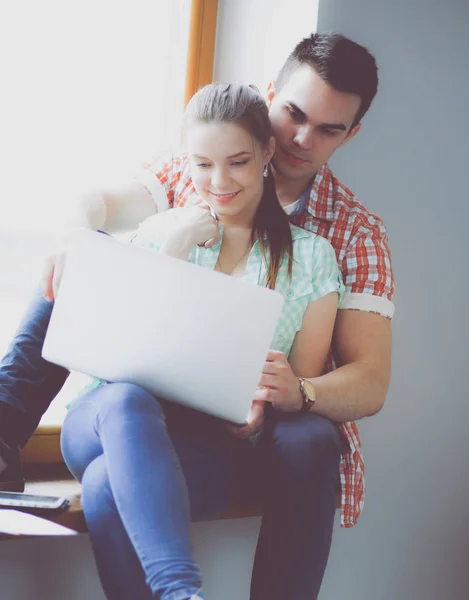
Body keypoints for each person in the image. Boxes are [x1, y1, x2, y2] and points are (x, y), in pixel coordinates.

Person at [0, 33, 394, 599]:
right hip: (120, 406)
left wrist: (290, 392)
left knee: (112, 482)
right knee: (115, 372)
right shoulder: (190, 184)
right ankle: (6, 424)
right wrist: (76, 237)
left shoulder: (339, 239)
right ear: (270, 97)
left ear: (350, 135)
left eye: (329, 129)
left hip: (220, 433)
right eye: (293, 114)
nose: (301, 139)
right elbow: (102, 220)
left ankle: (180, 592)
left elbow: (367, 379)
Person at [60, 81, 343, 600]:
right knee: (127, 399)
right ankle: (181, 590)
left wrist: (266, 397)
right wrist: (176, 242)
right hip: (106, 420)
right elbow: (116, 348)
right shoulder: (156, 232)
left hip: (207, 447)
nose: (218, 181)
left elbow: (298, 392)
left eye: (236, 162)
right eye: (202, 164)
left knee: (104, 486)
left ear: (266, 154)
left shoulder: (311, 258)